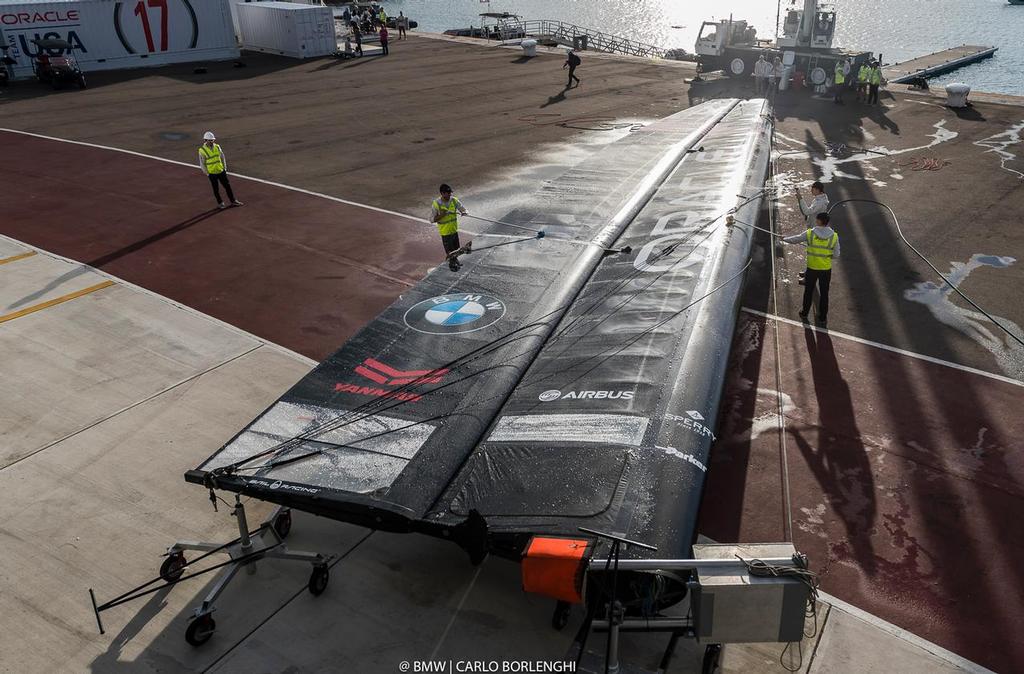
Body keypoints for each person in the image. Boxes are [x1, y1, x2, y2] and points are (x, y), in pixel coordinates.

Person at [783, 212, 840, 324]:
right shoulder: (834, 236)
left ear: (819, 221)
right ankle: (822, 317)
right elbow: (836, 255)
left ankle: (804, 313)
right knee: (824, 293)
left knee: (808, 292)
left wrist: (784, 238)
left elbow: (796, 239)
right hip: (825, 269)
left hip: (812, 268)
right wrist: (827, 256)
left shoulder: (810, 233)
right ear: (827, 222)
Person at [198, 131, 242, 209]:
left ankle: (233, 200)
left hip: (221, 170)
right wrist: (207, 173)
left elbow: (222, 157)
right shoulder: (202, 150)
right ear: (205, 140)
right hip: (212, 173)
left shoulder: (217, 146)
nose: (211, 141)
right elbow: (202, 163)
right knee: (216, 189)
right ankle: (220, 203)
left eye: (212, 140)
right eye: (209, 140)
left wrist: (224, 168)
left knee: (227, 186)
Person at [431, 184, 468, 271]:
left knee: (456, 249)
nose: (450, 194)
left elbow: (463, 209)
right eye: (448, 193)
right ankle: (452, 266)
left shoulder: (454, 200)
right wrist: (442, 214)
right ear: (442, 193)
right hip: (445, 232)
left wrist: (464, 212)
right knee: (450, 252)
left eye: (450, 192)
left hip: (454, 230)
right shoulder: (436, 204)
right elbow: (432, 219)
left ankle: (455, 261)